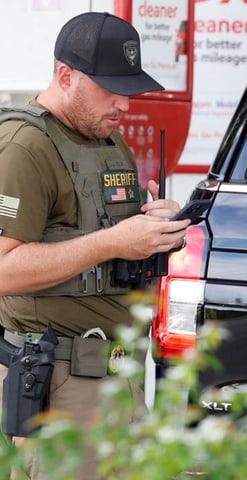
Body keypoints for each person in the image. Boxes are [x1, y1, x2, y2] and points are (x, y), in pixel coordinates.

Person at [0, 11, 190, 479]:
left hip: (119, 376)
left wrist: (155, 224)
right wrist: (113, 241)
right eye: (110, 89)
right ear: (66, 76)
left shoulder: (106, 138)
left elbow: (116, 236)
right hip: (58, 383)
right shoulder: (25, 147)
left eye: (127, 90)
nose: (123, 104)